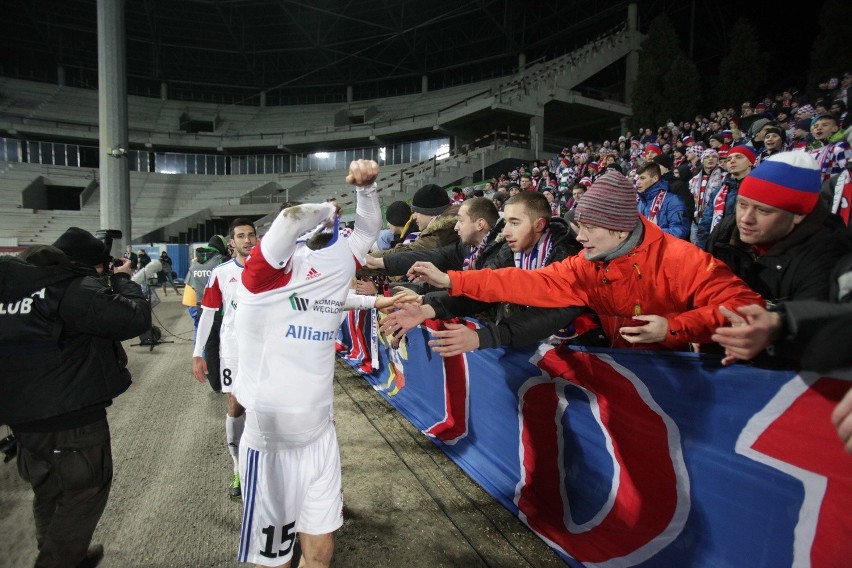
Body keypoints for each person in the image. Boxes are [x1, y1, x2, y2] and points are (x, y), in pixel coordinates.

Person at [405, 171, 764, 350]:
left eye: (590, 228)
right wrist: (455, 281)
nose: (580, 237)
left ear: (620, 230)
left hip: (672, 371)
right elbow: (525, 282)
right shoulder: (587, 262)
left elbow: (746, 306)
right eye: (581, 226)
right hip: (619, 367)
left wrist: (674, 328)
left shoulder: (681, 259)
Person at [233, 160, 381, 568]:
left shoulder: (338, 261)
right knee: (274, 561)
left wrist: (367, 190)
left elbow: (367, 230)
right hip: (271, 441)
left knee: (321, 551)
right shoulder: (261, 275)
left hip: (320, 435)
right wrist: (328, 208)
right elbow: (288, 219)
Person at [0, 228, 151, 568]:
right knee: (85, 492)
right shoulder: (73, 288)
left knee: (49, 490)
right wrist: (124, 280)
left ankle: (66, 554)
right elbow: (134, 318)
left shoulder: (16, 287)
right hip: (71, 419)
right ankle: (57, 562)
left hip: (23, 421)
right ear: (90, 266)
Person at [381, 192, 600, 355]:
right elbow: (487, 291)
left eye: (515, 223)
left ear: (539, 224)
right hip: (528, 343)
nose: (505, 232)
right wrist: (429, 307)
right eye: (506, 223)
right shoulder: (510, 248)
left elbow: (550, 315)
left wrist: (485, 337)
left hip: (578, 350)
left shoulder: (566, 253)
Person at [706, 152, 852, 304]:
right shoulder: (726, 232)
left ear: (798, 215)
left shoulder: (827, 258)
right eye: (742, 204)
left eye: (763, 210)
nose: (745, 219)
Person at [191, 218, 258, 500]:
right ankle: (238, 469)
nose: (246, 240)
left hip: (264, 349)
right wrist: (197, 352)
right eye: (240, 236)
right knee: (236, 404)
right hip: (232, 349)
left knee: (264, 406)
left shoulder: (271, 270)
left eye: (251, 235)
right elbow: (207, 313)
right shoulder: (220, 273)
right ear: (232, 242)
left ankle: (262, 466)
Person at [184, 235, 231, 391]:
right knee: (226, 344)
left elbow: (190, 285)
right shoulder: (222, 260)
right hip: (220, 308)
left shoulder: (195, 263)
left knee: (209, 347)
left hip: (201, 307)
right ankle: (228, 382)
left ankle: (215, 384)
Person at [695, 145, 756, 249]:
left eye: (739, 157)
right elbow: (706, 223)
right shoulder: (719, 191)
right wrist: (702, 248)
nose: (732, 161)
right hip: (717, 247)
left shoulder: (759, 188)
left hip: (747, 250)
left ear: (751, 162)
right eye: (729, 159)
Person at [636, 160, 689, 239]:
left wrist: (651, 233)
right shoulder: (641, 201)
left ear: (655, 178)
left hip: (665, 248)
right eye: (638, 178)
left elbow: (680, 230)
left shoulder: (673, 200)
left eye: (642, 178)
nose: (638, 182)